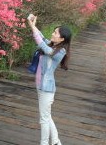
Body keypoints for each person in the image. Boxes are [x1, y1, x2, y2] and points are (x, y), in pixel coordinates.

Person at [27, 14, 71, 145]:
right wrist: (33, 26)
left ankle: (44, 143)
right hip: (41, 86)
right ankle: (56, 141)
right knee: (47, 116)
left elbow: (41, 44)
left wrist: (32, 27)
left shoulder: (60, 51)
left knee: (43, 119)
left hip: (47, 89)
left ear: (61, 38)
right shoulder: (53, 46)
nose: (53, 33)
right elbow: (42, 37)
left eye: (55, 32)